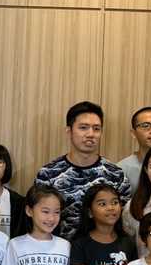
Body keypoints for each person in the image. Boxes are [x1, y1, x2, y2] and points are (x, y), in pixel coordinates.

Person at [34, 101, 130, 242]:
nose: (91, 134)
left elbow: (124, 221)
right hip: (58, 254)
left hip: (102, 256)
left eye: (96, 129)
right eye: (83, 128)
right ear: (69, 131)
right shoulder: (48, 174)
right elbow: (38, 220)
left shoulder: (116, 174)